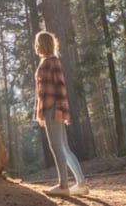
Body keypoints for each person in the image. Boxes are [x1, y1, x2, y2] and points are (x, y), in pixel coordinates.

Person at [33, 30, 88, 197]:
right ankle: (81, 184)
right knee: (63, 147)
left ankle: (63, 185)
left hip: (53, 109)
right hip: (49, 108)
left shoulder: (52, 61)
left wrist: (58, 110)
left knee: (57, 147)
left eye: (38, 43)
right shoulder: (47, 61)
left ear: (43, 44)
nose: (36, 46)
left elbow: (61, 87)